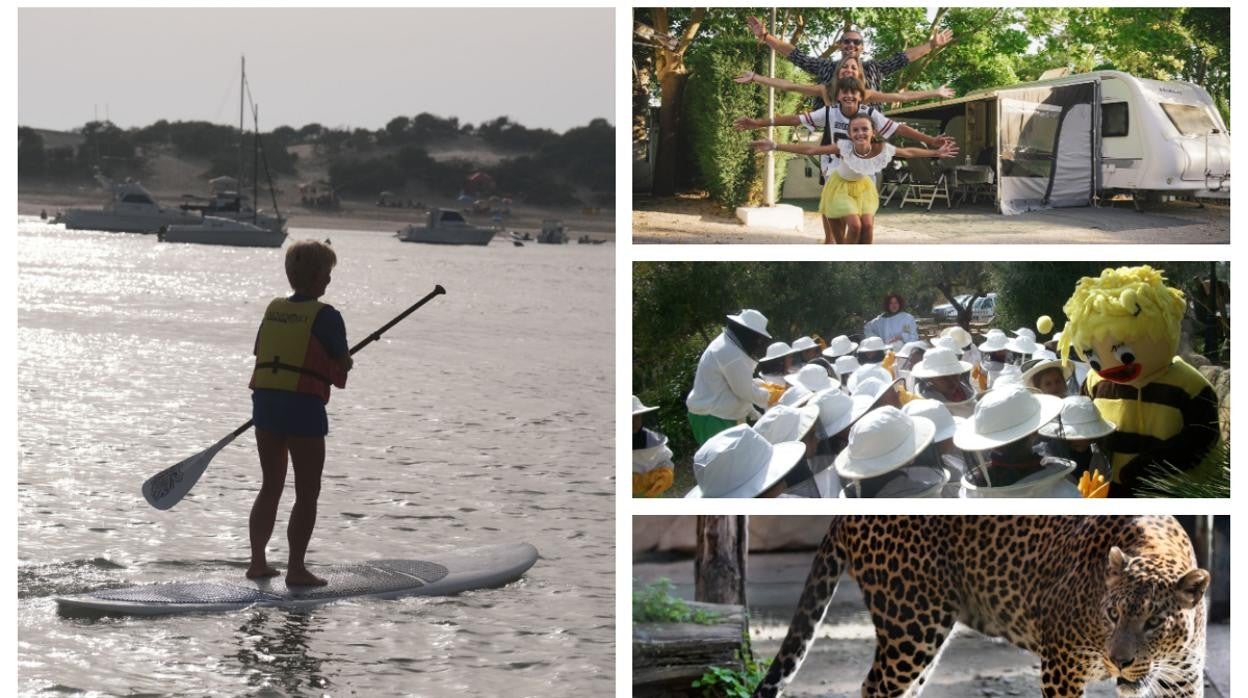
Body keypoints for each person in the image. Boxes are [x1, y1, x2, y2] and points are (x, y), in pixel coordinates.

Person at [247, 240, 353, 586]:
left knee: (270, 486)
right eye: (327, 273)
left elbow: (260, 349)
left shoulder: (274, 309)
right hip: (303, 407)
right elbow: (341, 368)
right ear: (316, 275)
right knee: (307, 491)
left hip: (266, 404)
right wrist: (345, 362)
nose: (330, 281)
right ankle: (296, 569)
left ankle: (258, 563)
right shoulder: (327, 316)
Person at [736, 77, 953, 243]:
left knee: (867, 227)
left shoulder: (872, 119)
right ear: (838, 95)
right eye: (844, 92)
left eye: (854, 92)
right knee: (853, 225)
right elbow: (801, 130)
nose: (849, 96)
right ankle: (839, 246)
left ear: (862, 96)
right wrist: (761, 127)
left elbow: (904, 142)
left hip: (862, 178)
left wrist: (932, 144)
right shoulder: (831, 115)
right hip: (836, 169)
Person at [745, 18, 954, 104]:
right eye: (847, 41)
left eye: (856, 42)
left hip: (866, 134)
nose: (851, 45)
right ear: (840, 45)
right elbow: (795, 57)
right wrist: (766, 37)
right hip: (834, 136)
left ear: (862, 48)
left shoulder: (873, 70)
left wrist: (931, 45)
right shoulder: (826, 69)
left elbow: (904, 58)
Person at [686, 309, 773, 444]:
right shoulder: (730, 353)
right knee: (726, 462)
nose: (758, 342)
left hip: (718, 413)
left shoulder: (728, 345)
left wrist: (750, 409)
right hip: (712, 417)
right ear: (748, 333)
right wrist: (770, 396)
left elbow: (733, 386)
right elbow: (744, 391)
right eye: (757, 337)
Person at [734, 57, 953, 109]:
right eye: (845, 66)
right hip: (832, 149)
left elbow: (901, 96)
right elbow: (789, 85)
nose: (849, 69)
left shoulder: (866, 94)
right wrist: (756, 77)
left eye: (853, 67)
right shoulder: (825, 90)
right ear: (839, 72)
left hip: (859, 150)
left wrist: (935, 91)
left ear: (859, 73)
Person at [632, 396, 675, 497]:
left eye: (636, 416)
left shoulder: (652, 438)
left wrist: (666, 474)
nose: (633, 422)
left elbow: (665, 460)